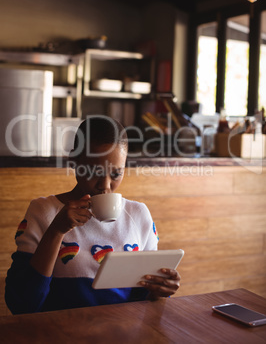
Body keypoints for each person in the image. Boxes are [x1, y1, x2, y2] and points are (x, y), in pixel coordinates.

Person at [5, 116, 180, 314]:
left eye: (115, 174)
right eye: (94, 171)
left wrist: (158, 291)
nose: (105, 186)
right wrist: (56, 230)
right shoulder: (44, 211)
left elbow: (140, 302)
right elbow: (21, 303)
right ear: (74, 162)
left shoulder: (138, 216)